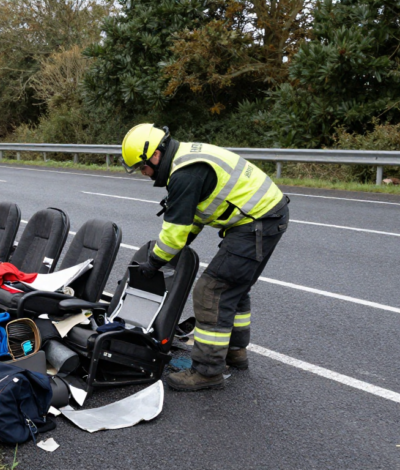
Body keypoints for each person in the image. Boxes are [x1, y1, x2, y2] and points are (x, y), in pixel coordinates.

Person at [120, 123, 290, 391]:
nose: (144, 173)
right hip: (263, 217)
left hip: (257, 222)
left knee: (211, 291)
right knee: (233, 286)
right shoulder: (187, 159)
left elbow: (174, 234)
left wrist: (153, 263)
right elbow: (193, 218)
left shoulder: (183, 175)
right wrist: (177, 247)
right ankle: (235, 353)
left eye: (142, 167)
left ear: (154, 155)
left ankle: (208, 371)